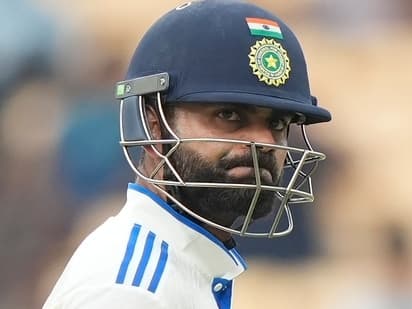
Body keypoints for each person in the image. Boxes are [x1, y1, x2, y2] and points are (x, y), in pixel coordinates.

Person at [43, 1, 332, 308]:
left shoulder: (184, 268)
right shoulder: (131, 293)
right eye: (229, 114)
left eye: (277, 123)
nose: (264, 141)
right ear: (155, 126)